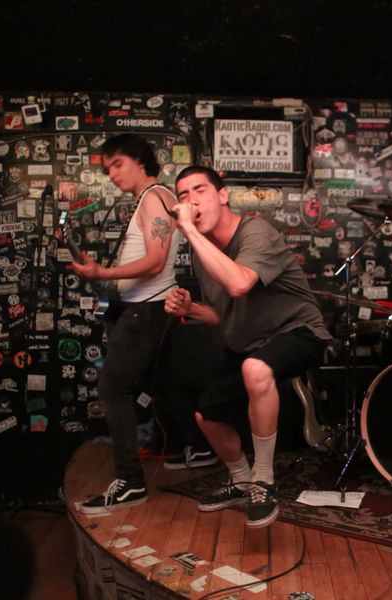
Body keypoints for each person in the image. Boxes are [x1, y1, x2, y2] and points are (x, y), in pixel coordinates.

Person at [164, 166, 331, 528]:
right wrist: (191, 309)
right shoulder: (203, 251)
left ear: (223, 196)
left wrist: (188, 230)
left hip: (298, 330)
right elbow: (224, 313)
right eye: (183, 195)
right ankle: (241, 480)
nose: (191, 201)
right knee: (207, 417)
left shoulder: (255, 231)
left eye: (200, 190)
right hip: (252, 342)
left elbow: (240, 284)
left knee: (255, 369)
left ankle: (263, 481)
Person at [71, 134, 215, 514]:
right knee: (160, 382)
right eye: (108, 169)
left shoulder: (154, 197)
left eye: (117, 164)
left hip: (147, 310)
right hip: (145, 308)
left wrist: (102, 273)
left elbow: (154, 262)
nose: (112, 174)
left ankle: (130, 482)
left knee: (112, 388)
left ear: (140, 160)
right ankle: (199, 446)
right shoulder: (152, 198)